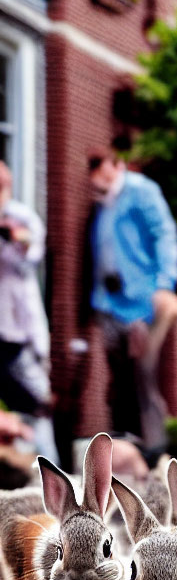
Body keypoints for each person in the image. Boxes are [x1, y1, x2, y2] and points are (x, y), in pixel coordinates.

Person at [84, 147, 177, 462]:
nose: (95, 178)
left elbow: (164, 234)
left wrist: (165, 283)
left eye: (100, 169)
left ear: (116, 166)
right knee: (120, 377)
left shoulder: (140, 191)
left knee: (143, 372)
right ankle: (128, 446)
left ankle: (156, 450)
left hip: (142, 302)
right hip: (111, 303)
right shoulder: (105, 203)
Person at [0, 162, 58, 463]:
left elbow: (31, 251)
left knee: (37, 406)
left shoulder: (20, 217)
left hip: (17, 333)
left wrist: (11, 233)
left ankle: (51, 475)